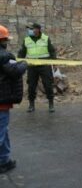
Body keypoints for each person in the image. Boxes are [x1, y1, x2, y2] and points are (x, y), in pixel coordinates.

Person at [0, 25, 27, 173]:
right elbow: (15, 71)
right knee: (1, 132)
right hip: (1, 102)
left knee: (4, 131)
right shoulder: (4, 56)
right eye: (5, 40)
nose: (6, 43)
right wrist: (24, 64)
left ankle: (4, 160)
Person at [18, 22, 56, 113]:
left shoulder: (45, 38)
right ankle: (31, 105)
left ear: (38, 29)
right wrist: (18, 61)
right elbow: (22, 52)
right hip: (32, 66)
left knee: (48, 85)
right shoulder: (27, 40)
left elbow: (52, 51)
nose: (30, 30)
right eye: (29, 29)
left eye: (32, 29)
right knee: (31, 86)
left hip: (44, 65)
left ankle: (51, 104)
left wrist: (54, 63)